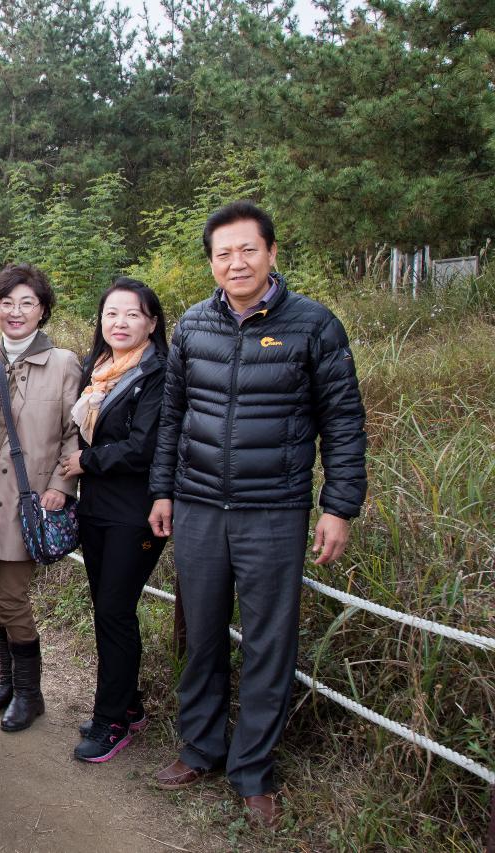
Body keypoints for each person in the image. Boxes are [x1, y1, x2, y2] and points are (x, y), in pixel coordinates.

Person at [147, 201, 367, 828]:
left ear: (271, 253)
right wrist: (163, 491)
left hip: (274, 510)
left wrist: (339, 506)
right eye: (224, 253)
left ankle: (253, 772)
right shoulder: (192, 326)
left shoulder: (314, 326)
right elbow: (173, 418)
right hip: (196, 505)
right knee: (202, 633)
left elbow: (344, 422)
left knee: (270, 642)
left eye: (248, 249)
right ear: (212, 262)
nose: (236, 262)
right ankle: (200, 749)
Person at [58, 277, 168, 763]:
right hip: (97, 509)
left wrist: (88, 462)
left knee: (114, 612)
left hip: (134, 512)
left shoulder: (157, 373)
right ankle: (129, 704)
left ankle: (111, 723)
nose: (119, 323)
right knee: (107, 609)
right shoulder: (98, 369)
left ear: (152, 322)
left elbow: (145, 446)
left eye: (131, 314)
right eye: (111, 314)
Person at [0, 263, 82, 733]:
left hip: (28, 501)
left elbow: (75, 431)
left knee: (12, 595)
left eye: (27, 303)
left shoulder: (64, 364)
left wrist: (62, 484)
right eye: (7, 302)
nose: (16, 311)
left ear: (42, 311)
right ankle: (6, 683)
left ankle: (30, 694)